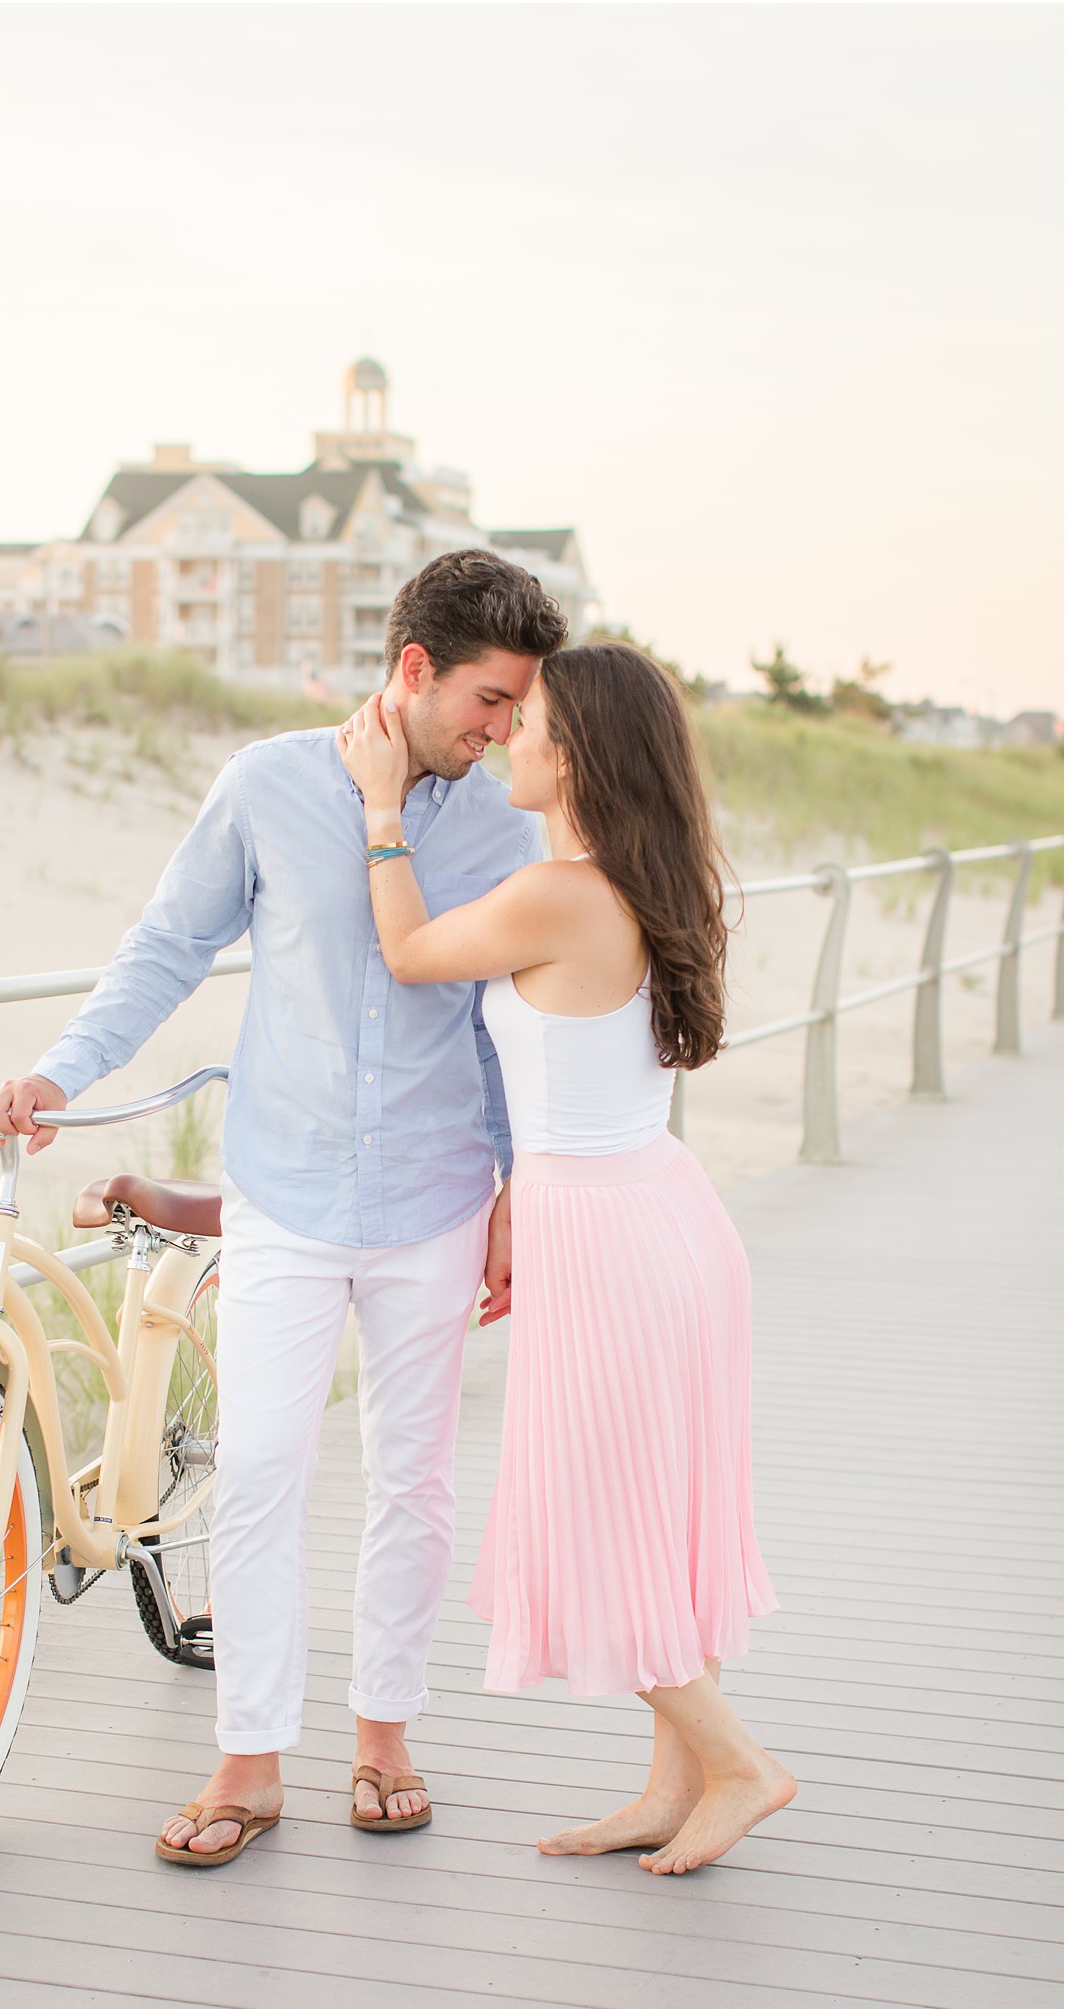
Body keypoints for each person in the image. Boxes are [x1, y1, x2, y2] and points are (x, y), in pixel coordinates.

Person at [0, 550, 567, 1864]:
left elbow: (506, 1022)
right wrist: (60, 1074)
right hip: (287, 1192)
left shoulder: (499, 827)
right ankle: (249, 1757)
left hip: (435, 1196)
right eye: (489, 698)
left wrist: (520, 1189)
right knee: (258, 1473)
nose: (502, 729)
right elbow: (165, 947)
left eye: (517, 707)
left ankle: (384, 1731)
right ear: (414, 671)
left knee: (412, 1480)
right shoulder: (264, 785)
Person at [337, 641, 795, 1874]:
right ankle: (675, 1784)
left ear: (577, 751)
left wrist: (383, 810)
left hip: (606, 1233)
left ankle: (740, 1763)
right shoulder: (643, 878)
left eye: (525, 720)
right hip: (653, 1213)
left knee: (599, 1509)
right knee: (653, 1502)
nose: (503, 739)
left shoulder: (562, 893)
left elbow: (408, 953)